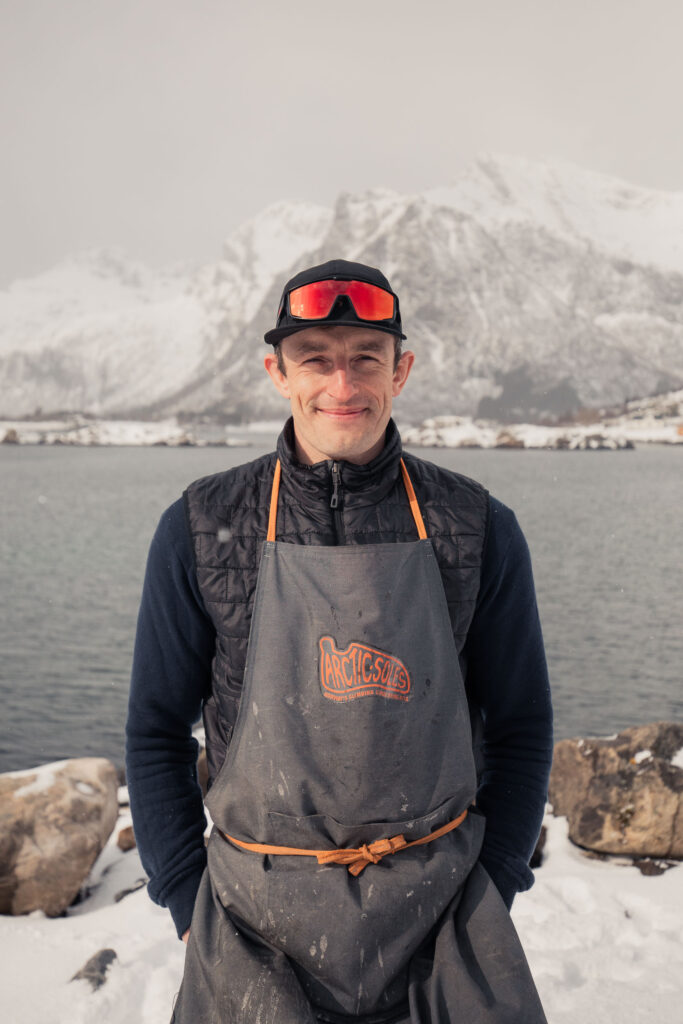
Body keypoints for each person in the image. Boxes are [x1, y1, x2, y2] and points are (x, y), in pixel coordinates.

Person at [126, 259, 553, 1023]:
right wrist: (186, 895)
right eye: (315, 359)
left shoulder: (477, 525)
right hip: (251, 924)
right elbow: (155, 729)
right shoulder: (201, 524)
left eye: (365, 358)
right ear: (277, 373)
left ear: (401, 371)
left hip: (442, 919)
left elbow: (521, 726)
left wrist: (494, 881)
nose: (342, 384)